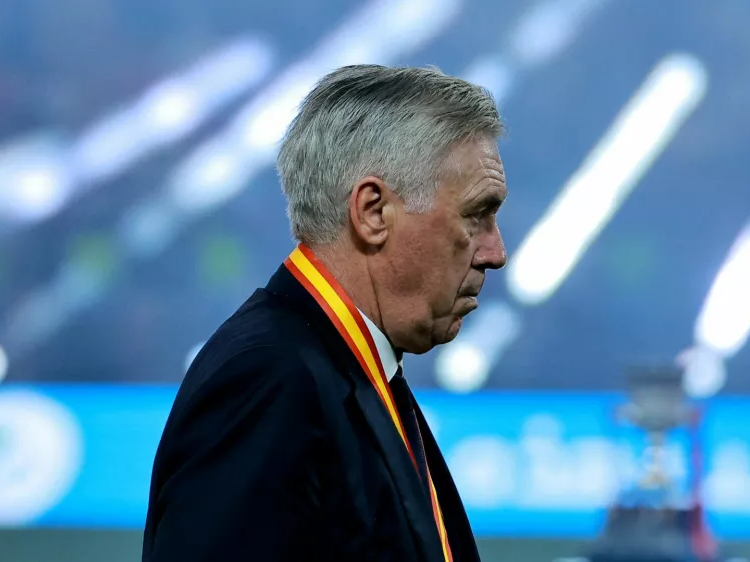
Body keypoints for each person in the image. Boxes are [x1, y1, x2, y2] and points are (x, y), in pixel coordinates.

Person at [142, 64, 508, 562]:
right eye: (476, 215)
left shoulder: (340, 368)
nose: (495, 251)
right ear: (373, 212)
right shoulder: (267, 379)